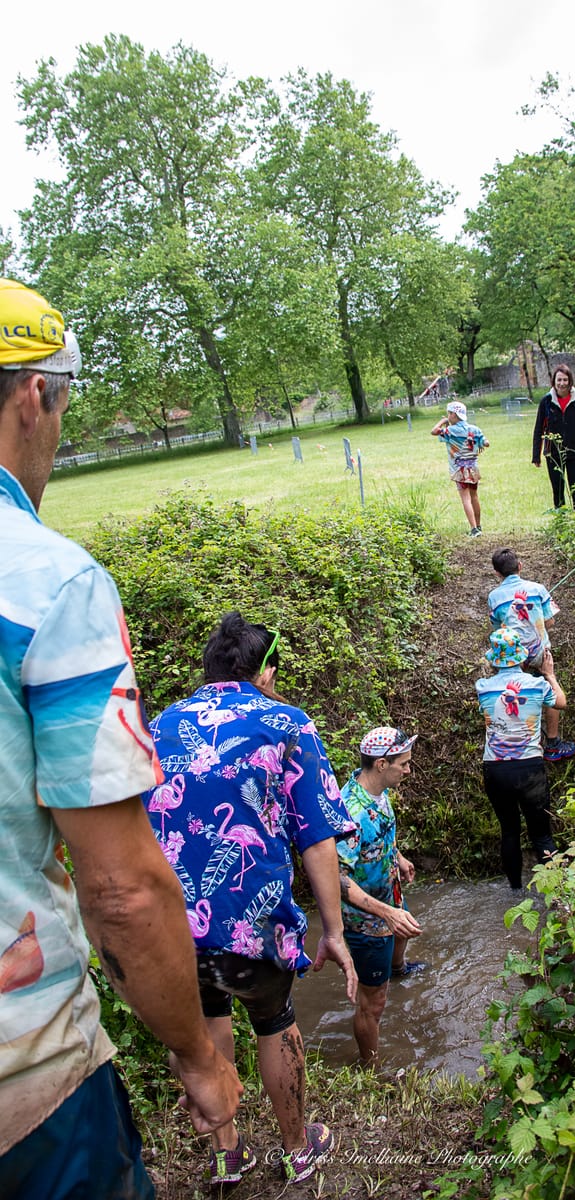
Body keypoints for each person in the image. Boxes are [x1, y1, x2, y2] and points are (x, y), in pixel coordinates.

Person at [0, 278, 242, 1200]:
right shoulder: (47, 583)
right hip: (26, 1081)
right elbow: (122, 889)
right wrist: (196, 1055)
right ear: (35, 395)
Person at [144, 612, 358, 1186]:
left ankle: (227, 1151)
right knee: (273, 1020)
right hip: (248, 922)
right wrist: (333, 930)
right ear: (264, 672)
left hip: (170, 927)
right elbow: (315, 835)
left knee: (208, 1013)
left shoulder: (160, 724)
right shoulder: (287, 723)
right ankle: (297, 1146)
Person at [337, 727, 424, 1066]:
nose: (408, 770)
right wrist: (385, 913)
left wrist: (398, 858)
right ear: (382, 763)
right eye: (404, 764)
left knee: (403, 932)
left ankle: (399, 969)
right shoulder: (351, 813)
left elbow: (383, 831)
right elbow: (336, 879)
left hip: (389, 892)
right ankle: (370, 1066)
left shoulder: (378, 789)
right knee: (373, 1003)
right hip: (366, 919)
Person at [475, 628, 567, 893]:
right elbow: (560, 702)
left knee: (509, 831)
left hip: (496, 769)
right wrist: (549, 674)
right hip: (530, 769)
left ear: (495, 659)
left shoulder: (483, 687)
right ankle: (558, 894)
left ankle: (515, 891)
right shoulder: (538, 685)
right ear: (521, 657)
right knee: (542, 834)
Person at [488, 547, 575, 763]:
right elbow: (551, 620)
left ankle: (517, 741)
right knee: (549, 686)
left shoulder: (494, 597)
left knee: (513, 692)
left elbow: (497, 627)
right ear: (520, 566)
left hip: (513, 655)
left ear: (497, 573)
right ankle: (553, 743)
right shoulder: (538, 589)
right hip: (539, 652)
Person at [532, 364, 575, 509]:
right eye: (559, 380)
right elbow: (538, 429)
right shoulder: (546, 402)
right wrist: (536, 455)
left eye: (565, 380)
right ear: (554, 382)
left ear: (570, 381)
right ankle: (561, 522)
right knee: (558, 490)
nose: (562, 384)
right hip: (553, 454)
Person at [431, 400, 489, 536]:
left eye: (449, 414)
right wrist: (485, 443)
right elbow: (484, 441)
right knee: (474, 496)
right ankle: (479, 525)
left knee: (465, 498)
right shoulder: (474, 429)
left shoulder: (450, 431)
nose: (448, 416)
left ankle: (474, 529)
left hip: (459, 470)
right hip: (473, 469)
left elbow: (434, 431)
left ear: (454, 415)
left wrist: (443, 422)